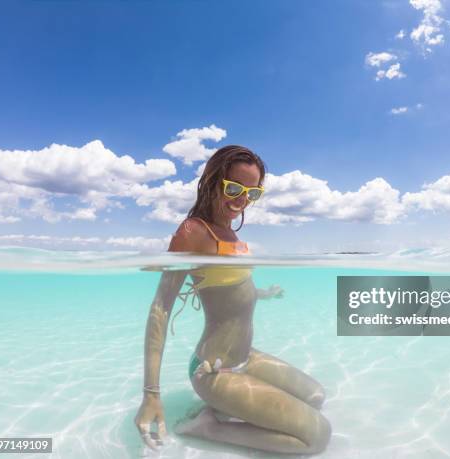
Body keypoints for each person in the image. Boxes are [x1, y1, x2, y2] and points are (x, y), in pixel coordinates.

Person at [134, 145, 332, 454]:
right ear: (213, 181)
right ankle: (209, 427)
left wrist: (264, 294)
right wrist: (150, 394)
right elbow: (160, 309)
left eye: (252, 193)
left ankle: (228, 408)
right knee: (317, 437)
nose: (242, 200)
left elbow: (232, 292)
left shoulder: (232, 236)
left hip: (246, 356)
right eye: (234, 188)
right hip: (214, 370)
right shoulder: (194, 231)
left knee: (316, 397)